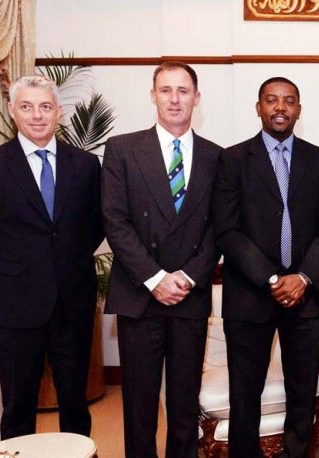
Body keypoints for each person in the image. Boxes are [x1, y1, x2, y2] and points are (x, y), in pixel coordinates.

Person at [212, 76, 319, 458]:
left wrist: (301, 277)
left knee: (302, 393)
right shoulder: (232, 159)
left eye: (288, 101)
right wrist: (271, 278)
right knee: (245, 391)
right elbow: (227, 230)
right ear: (259, 108)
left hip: (306, 296)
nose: (280, 107)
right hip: (250, 294)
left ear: (299, 110)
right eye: (272, 100)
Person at [0, 75, 103, 439]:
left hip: (73, 301)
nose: (37, 115)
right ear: (13, 111)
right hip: (13, 305)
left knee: (76, 405)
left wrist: (63, 264)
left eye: (45, 106)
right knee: (18, 406)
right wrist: (16, 271)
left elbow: (95, 227)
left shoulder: (87, 165)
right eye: (27, 106)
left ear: (59, 112)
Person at [102, 62, 222, 458]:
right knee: (138, 402)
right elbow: (115, 221)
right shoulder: (121, 150)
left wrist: (186, 276)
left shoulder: (217, 156)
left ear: (197, 98)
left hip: (190, 294)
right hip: (140, 295)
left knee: (185, 402)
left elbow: (219, 229)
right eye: (166, 90)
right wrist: (155, 278)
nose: (174, 99)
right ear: (152, 95)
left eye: (183, 91)